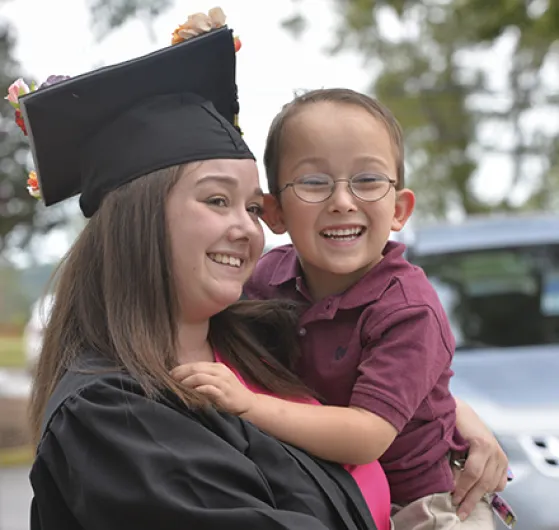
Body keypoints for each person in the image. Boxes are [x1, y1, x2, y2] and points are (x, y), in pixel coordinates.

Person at [15, 19, 386, 530]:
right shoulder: (110, 415)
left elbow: (377, 384)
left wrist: (446, 419)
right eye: (217, 200)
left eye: (254, 208)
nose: (249, 231)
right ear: (137, 220)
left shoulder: (258, 345)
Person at [172, 88, 515, 529]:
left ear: (399, 208)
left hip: (428, 507)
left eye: (368, 180)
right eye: (314, 182)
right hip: (331, 495)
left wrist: (247, 407)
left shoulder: (408, 307)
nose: (342, 201)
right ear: (274, 213)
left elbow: (367, 435)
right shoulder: (264, 280)